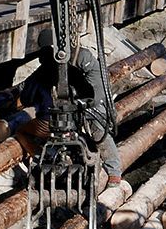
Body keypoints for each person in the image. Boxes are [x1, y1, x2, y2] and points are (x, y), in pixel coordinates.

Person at [19, 29, 122, 183]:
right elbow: (28, 85)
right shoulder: (60, 68)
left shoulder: (76, 59)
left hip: (73, 111)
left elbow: (27, 97)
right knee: (89, 130)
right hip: (66, 115)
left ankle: (113, 171)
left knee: (98, 129)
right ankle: (111, 173)